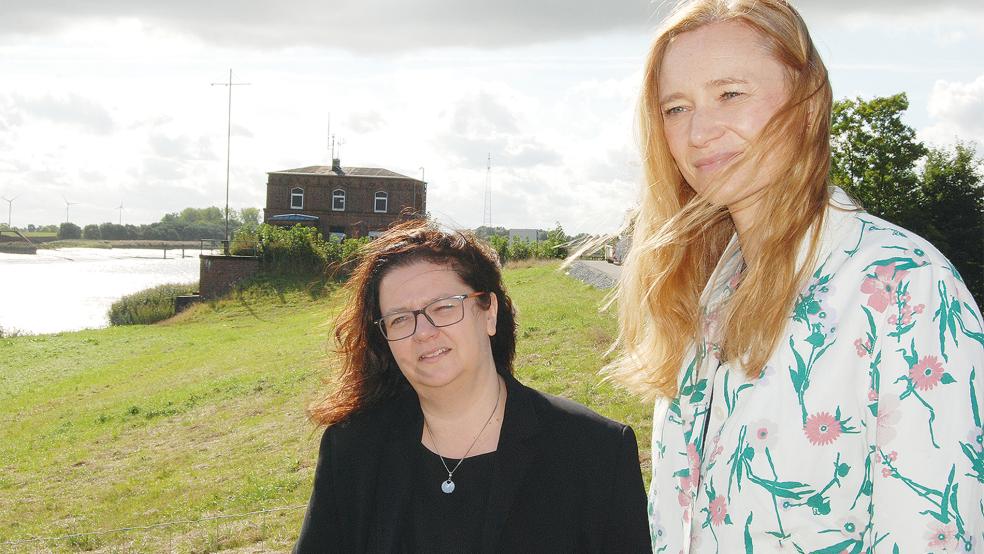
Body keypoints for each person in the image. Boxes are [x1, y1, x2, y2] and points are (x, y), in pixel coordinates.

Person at [608, 0, 984, 551]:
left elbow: (937, 536)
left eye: (730, 94)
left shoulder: (906, 288)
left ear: (807, 105)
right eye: (676, 107)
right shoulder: (705, 291)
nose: (699, 131)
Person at [294, 220, 651, 553]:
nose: (424, 332)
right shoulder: (353, 450)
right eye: (400, 319)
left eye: (444, 307)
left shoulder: (595, 452)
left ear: (489, 312)